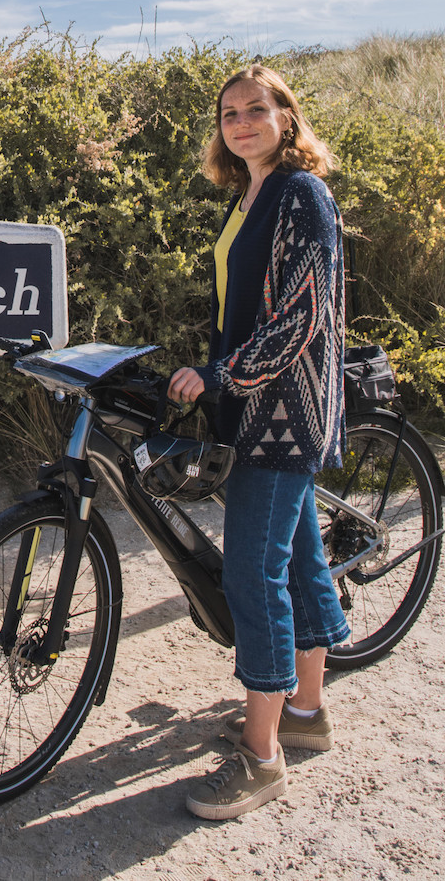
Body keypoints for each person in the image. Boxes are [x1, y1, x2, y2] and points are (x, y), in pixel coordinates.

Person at [168, 63, 349, 821]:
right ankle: (304, 714)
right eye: (228, 113)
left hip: (281, 412)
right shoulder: (247, 193)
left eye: (255, 109)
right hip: (257, 406)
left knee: (253, 576)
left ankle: (262, 760)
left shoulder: (299, 192)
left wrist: (222, 375)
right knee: (300, 559)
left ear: (286, 117)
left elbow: (302, 316)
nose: (240, 122)